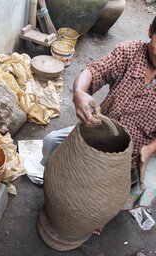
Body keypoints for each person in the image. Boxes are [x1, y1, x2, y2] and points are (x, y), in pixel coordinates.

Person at [41, 16, 156, 211]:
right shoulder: (130, 52)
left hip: (133, 156)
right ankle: (55, 186)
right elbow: (95, 71)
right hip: (97, 130)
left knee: (140, 194)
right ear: (151, 32)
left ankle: (101, 212)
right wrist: (79, 92)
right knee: (51, 141)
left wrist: (150, 149)